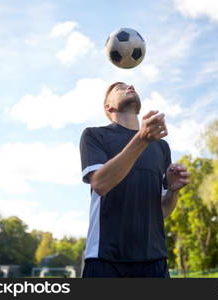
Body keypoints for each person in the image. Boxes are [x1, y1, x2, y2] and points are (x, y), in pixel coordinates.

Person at [79, 82, 190, 278]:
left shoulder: (161, 147)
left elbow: (163, 210)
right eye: (119, 87)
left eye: (130, 85)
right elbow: (100, 184)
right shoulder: (94, 135)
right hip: (106, 260)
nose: (129, 86)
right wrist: (142, 139)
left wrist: (173, 191)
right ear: (108, 107)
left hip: (154, 262)